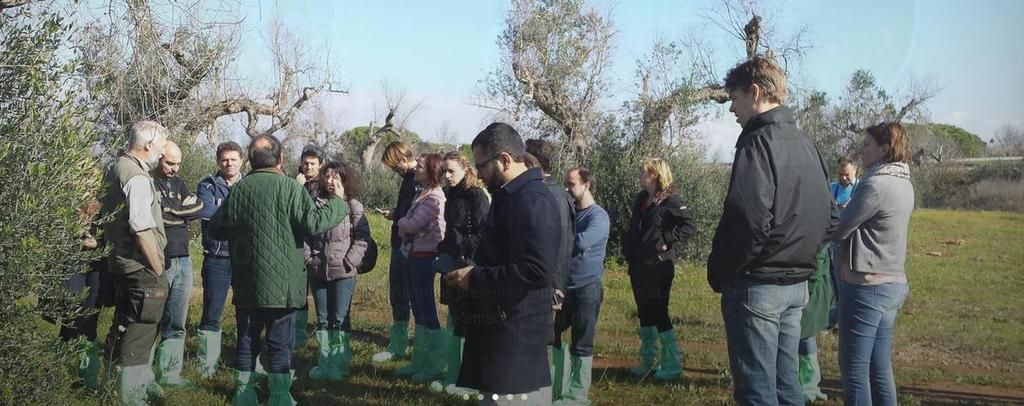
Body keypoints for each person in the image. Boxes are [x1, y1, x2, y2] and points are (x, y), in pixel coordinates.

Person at [707, 56, 837, 406]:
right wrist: (801, 256)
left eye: (734, 98)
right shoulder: (806, 142)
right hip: (796, 286)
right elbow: (829, 217)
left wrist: (723, 272)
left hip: (759, 285)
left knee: (757, 392)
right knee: (787, 387)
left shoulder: (756, 141)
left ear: (755, 92)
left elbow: (749, 220)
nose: (731, 108)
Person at [208, 135, 348, 405]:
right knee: (279, 342)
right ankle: (280, 396)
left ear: (250, 160)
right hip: (282, 285)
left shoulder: (239, 189)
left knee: (247, 340)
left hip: (247, 281)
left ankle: (244, 395)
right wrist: (338, 203)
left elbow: (215, 229)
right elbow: (313, 223)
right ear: (281, 159)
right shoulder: (290, 188)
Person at [445, 122, 562, 405]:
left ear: (505, 159)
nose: (479, 174)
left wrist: (476, 277)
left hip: (516, 338)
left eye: (481, 165)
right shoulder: (508, 196)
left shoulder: (534, 201)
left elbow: (537, 271)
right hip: (497, 331)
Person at [835, 122, 914, 406]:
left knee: (854, 368)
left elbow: (840, 229)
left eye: (867, 145)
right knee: (879, 367)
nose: (862, 150)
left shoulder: (875, 185)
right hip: (893, 283)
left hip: (867, 286)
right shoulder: (904, 182)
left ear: (884, 149)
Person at [98, 120, 170, 405]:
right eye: (162, 146)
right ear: (148, 145)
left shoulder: (116, 167)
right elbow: (140, 226)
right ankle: (132, 398)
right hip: (141, 267)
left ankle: (110, 389)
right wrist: (157, 267)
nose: (163, 153)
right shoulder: (137, 176)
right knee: (140, 330)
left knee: (123, 325)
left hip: (120, 264)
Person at [622, 158, 697, 382]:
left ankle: (672, 366)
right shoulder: (641, 198)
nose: (639, 175)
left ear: (654, 175)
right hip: (639, 264)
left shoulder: (671, 198)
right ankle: (648, 361)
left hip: (659, 265)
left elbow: (689, 226)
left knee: (659, 313)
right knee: (644, 313)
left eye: (642, 171)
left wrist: (667, 238)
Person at [429, 150, 490, 397]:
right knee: (454, 320)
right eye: (445, 171)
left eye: (452, 170)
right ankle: (452, 375)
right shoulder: (451, 194)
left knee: (469, 322)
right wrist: (442, 254)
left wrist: (467, 261)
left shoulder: (477, 196)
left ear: (466, 169)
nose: (447, 175)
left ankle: (469, 382)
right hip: (450, 264)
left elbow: (482, 233)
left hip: (470, 267)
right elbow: (450, 233)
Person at [303, 160, 370, 382]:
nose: (330, 181)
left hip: (343, 272)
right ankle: (324, 363)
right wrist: (310, 260)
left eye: (336, 177)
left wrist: (349, 261)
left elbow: (362, 239)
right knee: (322, 319)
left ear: (344, 180)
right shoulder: (314, 204)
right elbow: (306, 234)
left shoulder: (353, 206)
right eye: (327, 176)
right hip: (318, 271)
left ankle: (339, 364)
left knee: (339, 318)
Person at [551, 167, 610, 404]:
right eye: (565, 183)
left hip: (587, 289)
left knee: (582, 342)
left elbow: (578, 242)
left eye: (571, 184)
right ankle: (556, 386)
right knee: (552, 335)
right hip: (564, 287)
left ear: (587, 184)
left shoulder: (599, 216)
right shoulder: (570, 213)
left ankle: (577, 395)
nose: (566, 188)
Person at [150, 140, 204, 389]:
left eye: (178, 164)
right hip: (159, 259)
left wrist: (174, 212)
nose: (174, 168)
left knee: (177, 322)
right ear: (159, 158)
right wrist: (179, 211)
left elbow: (199, 208)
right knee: (151, 321)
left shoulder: (178, 181)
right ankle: (144, 375)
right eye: (170, 163)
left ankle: (170, 375)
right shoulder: (148, 181)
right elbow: (157, 216)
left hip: (184, 260)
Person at [393, 153, 447, 383]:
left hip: (425, 257)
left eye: (421, 166)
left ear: (432, 171)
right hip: (414, 255)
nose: (416, 168)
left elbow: (410, 223)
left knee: (426, 309)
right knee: (418, 308)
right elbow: (407, 220)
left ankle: (434, 364)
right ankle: (419, 361)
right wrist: (404, 224)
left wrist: (402, 224)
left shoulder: (435, 197)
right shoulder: (421, 193)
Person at [195, 141, 243, 378]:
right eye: (224, 159)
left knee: (248, 312)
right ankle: (207, 365)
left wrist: (222, 209)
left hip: (245, 258)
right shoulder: (207, 185)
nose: (229, 163)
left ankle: (246, 362)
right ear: (218, 161)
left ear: (241, 160)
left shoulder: (249, 184)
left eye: (233, 159)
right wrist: (238, 214)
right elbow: (207, 214)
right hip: (216, 256)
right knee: (212, 312)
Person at [372, 141, 419, 364]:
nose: (394, 171)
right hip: (399, 243)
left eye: (394, 166)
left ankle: (411, 348)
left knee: (408, 298)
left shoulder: (418, 178)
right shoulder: (409, 179)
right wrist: (395, 212)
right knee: (398, 296)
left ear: (402, 158)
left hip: (409, 247)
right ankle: (400, 345)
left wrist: (399, 216)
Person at [57, 201, 110, 391]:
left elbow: (114, 231)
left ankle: (88, 377)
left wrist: (99, 243)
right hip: (74, 261)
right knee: (70, 315)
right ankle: (54, 373)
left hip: (97, 265)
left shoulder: (107, 201)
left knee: (89, 318)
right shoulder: (70, 200)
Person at [524, 139, 575, 312]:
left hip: (545, 287)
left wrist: (556, 287)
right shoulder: (559, 193)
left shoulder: (547, 194)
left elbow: (560, 244)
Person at [293, 145, 327, 350]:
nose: (308, 166)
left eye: (312, 163)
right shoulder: (296, 182)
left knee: (321, 295)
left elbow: (312, 213)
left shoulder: (324, 186)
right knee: (299, 294)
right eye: (305, 163)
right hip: (297, 246)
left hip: (318, 247)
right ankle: (298, 335)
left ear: (320, 165)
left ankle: (326, 344)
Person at [827, 156, 859, 329]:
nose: (843, 178)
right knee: (834, 281)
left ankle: (847, 318)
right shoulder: (831, 188)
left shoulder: (861, 189)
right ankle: (835, 318)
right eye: (840, 174)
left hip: (854, 244)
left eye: (846, 174)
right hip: (833, 241)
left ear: (855, 170)